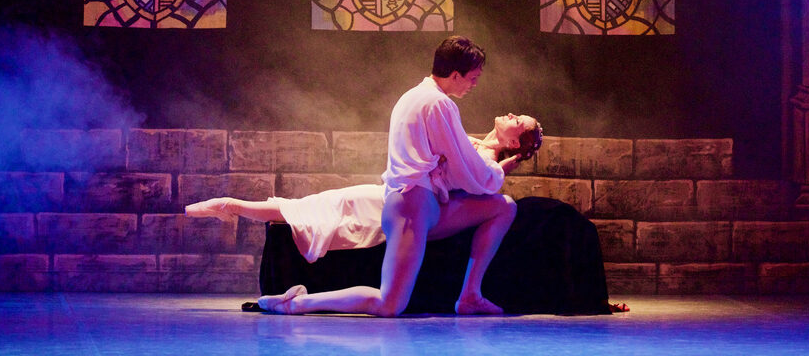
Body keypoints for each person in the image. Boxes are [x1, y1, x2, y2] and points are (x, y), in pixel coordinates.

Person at [248, 36, 524, 316]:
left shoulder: (414, 97)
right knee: (390, 303)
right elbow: (466, 168)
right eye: (473, 78)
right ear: (455, 75)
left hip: (422, 204)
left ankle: (470, 295)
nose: (474, 84)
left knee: (504, 206)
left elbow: (456, 160)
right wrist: (496, 171)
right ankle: (296, 303)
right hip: (412, 204)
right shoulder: (438, 104)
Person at [185, 112, 542, 263]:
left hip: (415, 205)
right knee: (324, 203)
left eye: (518, 121)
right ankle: (230, 205)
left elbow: (483, 186)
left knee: (324, 205)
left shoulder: (487, 161)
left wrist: (500, 168)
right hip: (403, 195)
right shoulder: (476, 145)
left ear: (514, 142)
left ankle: (231, 205)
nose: (511, 115)